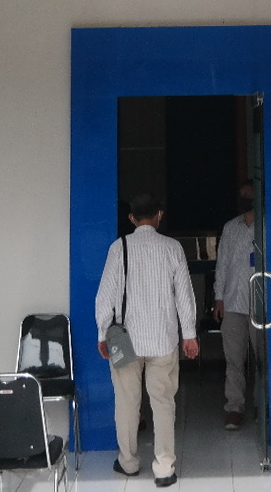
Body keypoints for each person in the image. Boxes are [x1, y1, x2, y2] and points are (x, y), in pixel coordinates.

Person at [95, 194, 199, 487]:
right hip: (163, 338)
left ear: (131, 218)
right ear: (159, 215)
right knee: (163, 402)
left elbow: (105, 295)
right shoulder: (172, 248)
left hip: (124, 339)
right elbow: (184, 295)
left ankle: (128, 462)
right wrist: (189, 334)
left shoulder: (119, 248)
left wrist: (102, 333)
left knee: (126, 402)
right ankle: (164, 468)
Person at [213, 180, 258, 430]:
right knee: (234, 360)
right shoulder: (231, 228)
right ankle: (234, 408)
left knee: (263, 360)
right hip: (232, 302)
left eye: (248, 195)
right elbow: (222, 265)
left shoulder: (268, 225)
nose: (244, 199)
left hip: (261, 304)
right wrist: (218, 297)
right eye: (241, 195)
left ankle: (263, 405)